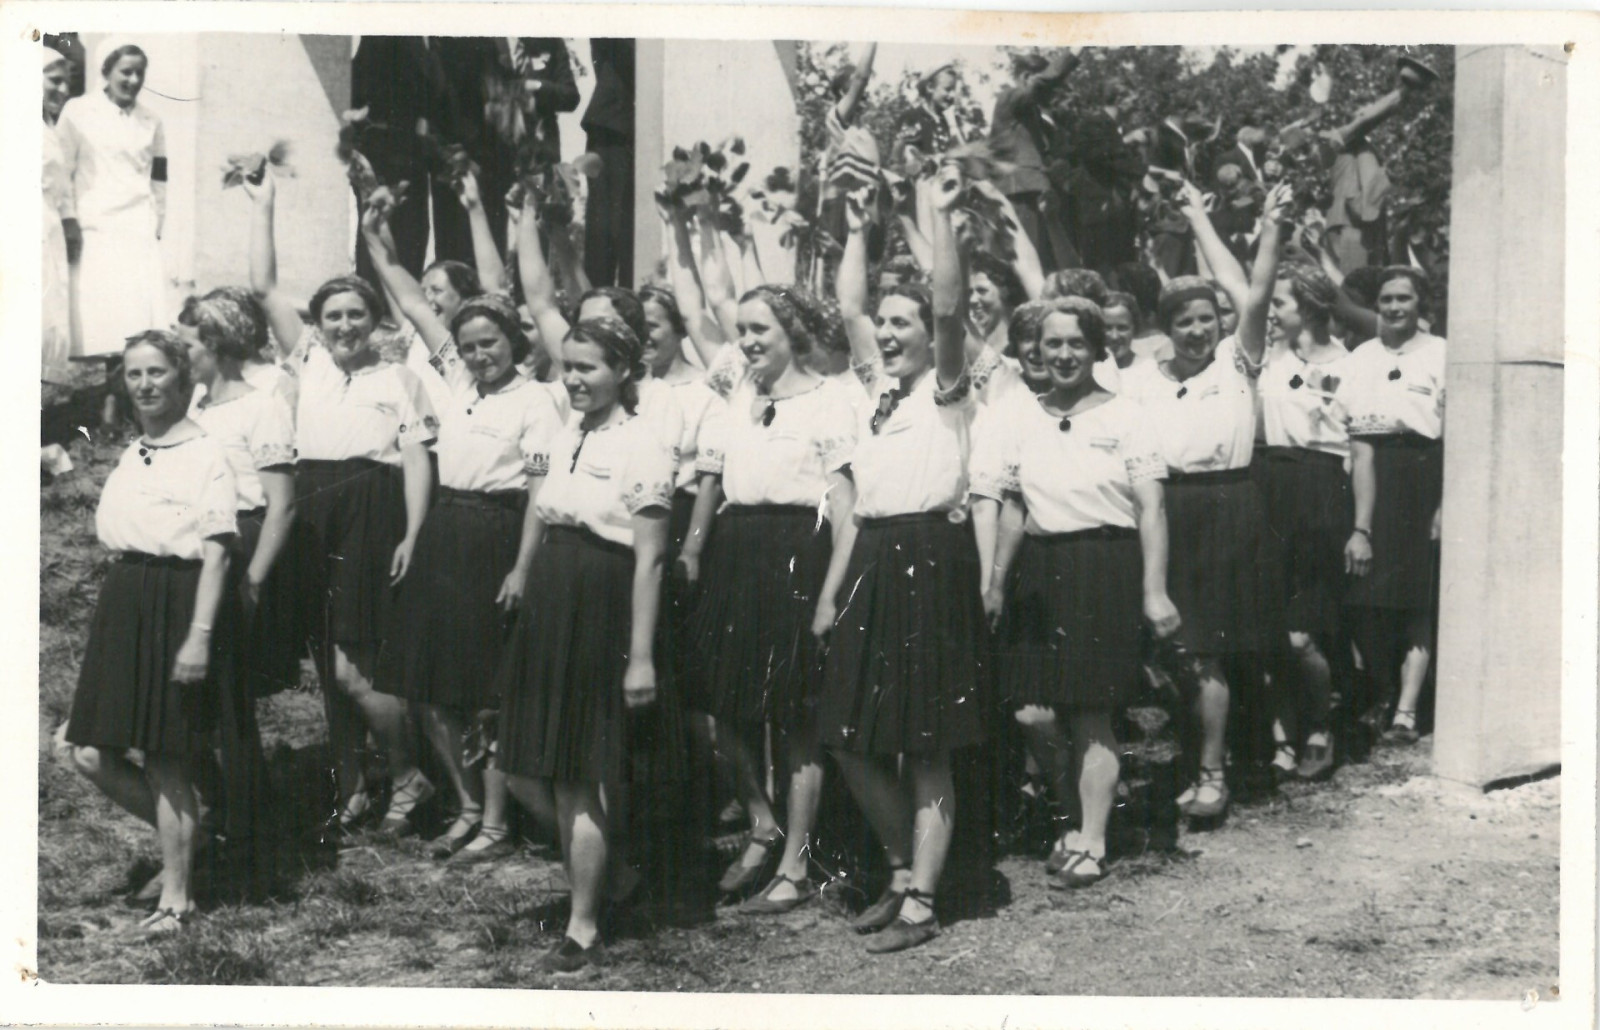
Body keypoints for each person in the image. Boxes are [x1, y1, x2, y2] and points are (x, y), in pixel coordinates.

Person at [811, 166, 981, 953]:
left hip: (929, 556)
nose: (887, 331)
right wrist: (856, 226)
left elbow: (949, 305)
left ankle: (924, 900)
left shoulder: (948, 387)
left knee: (927, 742)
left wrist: (938, 216)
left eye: (901, 322)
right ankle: (902, 870)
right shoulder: (875, 388)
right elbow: (848, 306)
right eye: (886, 322)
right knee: (848, 735)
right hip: (874, 555)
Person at [244, 171, 438, 840]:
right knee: (327, 667)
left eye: (356, 314)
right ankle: (352, 788)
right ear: (318, 325)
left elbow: (416, 459)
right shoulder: (307, 361)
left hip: (371, 512)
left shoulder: (400, 377)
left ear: (374, 320)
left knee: (355, 670)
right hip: (312, 509)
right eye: (334, 316)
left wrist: (412, 533)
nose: (345, 325)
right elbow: (264, 287)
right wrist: (264, 202)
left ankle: (409, 776)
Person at [973, 296, 1178, 889]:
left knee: (1090, 713)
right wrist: (995, 583)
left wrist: (1154, 591)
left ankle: (1092, 840)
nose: (1063, 355)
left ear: (1097, 348)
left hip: (1103, 567)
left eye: (1076, 343)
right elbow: (1013, 509)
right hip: (1039, 571)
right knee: (1032, 711)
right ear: (1036, 350)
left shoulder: (1126, 416)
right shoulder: (1021, 415)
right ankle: (1072, 814)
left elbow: (1152, 508)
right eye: (1052, 343)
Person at [492, 317, 677, 973]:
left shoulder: (644, 445)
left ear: (623, 370)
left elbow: (651, 561)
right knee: (521, 767)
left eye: (588, 367)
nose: (573, 379)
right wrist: (524, 571)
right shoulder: (566, 430)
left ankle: (585, 926)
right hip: (551, 597)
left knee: (575, 772)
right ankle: (613, 875)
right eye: (567, 366)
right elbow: (542, 508)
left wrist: (641, 656)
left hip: (600, 602)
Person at [1116, 180, 1289, 825]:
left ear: (1221, 324)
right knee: (1183, 651)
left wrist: (1256, 227)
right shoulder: (1139, 382)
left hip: (1231, 508)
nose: (1196, 330)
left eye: (1205, 320)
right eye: (1183, 322)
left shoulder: (1236, 364)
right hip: (1168, 513)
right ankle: (1203, 760)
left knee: (1215, 649)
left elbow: (1256, 292)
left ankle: (1215, 771)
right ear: (1164, 330)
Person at [685, 285, 858, 913]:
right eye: (742, 330)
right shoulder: (736, 392)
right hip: (736, 551)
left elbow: (846, 508)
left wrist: (830, 595)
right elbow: (696, 303)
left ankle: (796, 864)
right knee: (722, 709)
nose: (748, 341)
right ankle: (763, 824)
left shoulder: (830, 401)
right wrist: (696, 550)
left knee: (795, 716)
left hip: (798, 553)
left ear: (794, 332)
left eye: (761, 329)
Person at [374, 294, 565, 860]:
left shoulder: (536, 401)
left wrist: (522, 567)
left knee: (485, 691)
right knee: (430, 684)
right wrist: (381, 249)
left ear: (514, 341)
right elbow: (416, 308)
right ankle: (469, 805)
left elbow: (540, 494)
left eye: (491, 343)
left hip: (499, 537)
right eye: (470, 346)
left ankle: (499, 826)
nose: (480, 355)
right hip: (445, 531)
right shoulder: (458, 384)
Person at [62, 332, 239, 935]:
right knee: (89, 751)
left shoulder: (206, 453)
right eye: (134, 374)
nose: (145, 384)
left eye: (157, 372)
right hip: (126, 602)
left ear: (183, 378)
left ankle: (178, 899)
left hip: (177, 600)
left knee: (166, 757)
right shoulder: (135, 449)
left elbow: (217, 556)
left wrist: (199, 636)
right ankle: (196, 833)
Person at [182, 292, 299, 859]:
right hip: (199, 546)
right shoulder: (197, 405)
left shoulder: (261, 406)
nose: (182, 356)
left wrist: (255, 577)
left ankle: (246, 822)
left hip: (241, 543)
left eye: (188, 345)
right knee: (197, 687)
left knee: (229, 692)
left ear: (216, 345)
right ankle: (220, 800)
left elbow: (282, 504)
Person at [1254, 258, 1356, 781]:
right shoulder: (1271, 358)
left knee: (1303, 634)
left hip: (1323, 492)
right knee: (1272, 630)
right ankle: (1281, 738)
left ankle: (1320, 725)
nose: (1270, 311)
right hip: (1269, 488)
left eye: (1280, 302)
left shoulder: (1354, 364)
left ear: (1310, 307)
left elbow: (1359, 448)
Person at [1341, 266, 1446, 746]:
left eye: (1404, 298)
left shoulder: (1442, 353)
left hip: (1423, 476)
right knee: (1366, 598)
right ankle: (1381, 691)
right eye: (1386, 299)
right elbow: (1357, 439)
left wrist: (1443, 506)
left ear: (1420, 302)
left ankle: (1406, 710)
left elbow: (1455, 436)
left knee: (1416, 598)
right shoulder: (1362, 357)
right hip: (1372, 478)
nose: (1395, 307)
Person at [56, 41, 168, 424]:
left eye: (139, 73)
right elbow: (62, 170)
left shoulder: (152, 120)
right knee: (103, 319)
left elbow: (159, 176)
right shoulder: (78, 111)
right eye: (126, 71)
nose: (133, 80)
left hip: (137, 229)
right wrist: (68, 219)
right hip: (96, 228)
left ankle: (124, 406)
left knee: (135, 319)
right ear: (106, 71)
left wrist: (157, 222)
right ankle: (107, 405)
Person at [988, 48, 1079, 272]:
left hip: (1033, 191)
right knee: (1029, 260)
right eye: (1048, 88)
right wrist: (1075, 50)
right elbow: (1042, 83)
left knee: (1043, 260)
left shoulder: (1032, 115)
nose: (1051, 93)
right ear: (1026, 77)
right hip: (1021, 191)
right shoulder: (1009, 97)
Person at [582, 39, 636, 288]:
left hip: (626, 123)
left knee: (626, 228)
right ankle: (597, 298)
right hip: (613, 127)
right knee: (604, 227)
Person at [42, 47, 75, 390]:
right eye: (54, 81)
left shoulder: (48, 128)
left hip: (47, 226)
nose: (63, 90)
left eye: (67, 82)